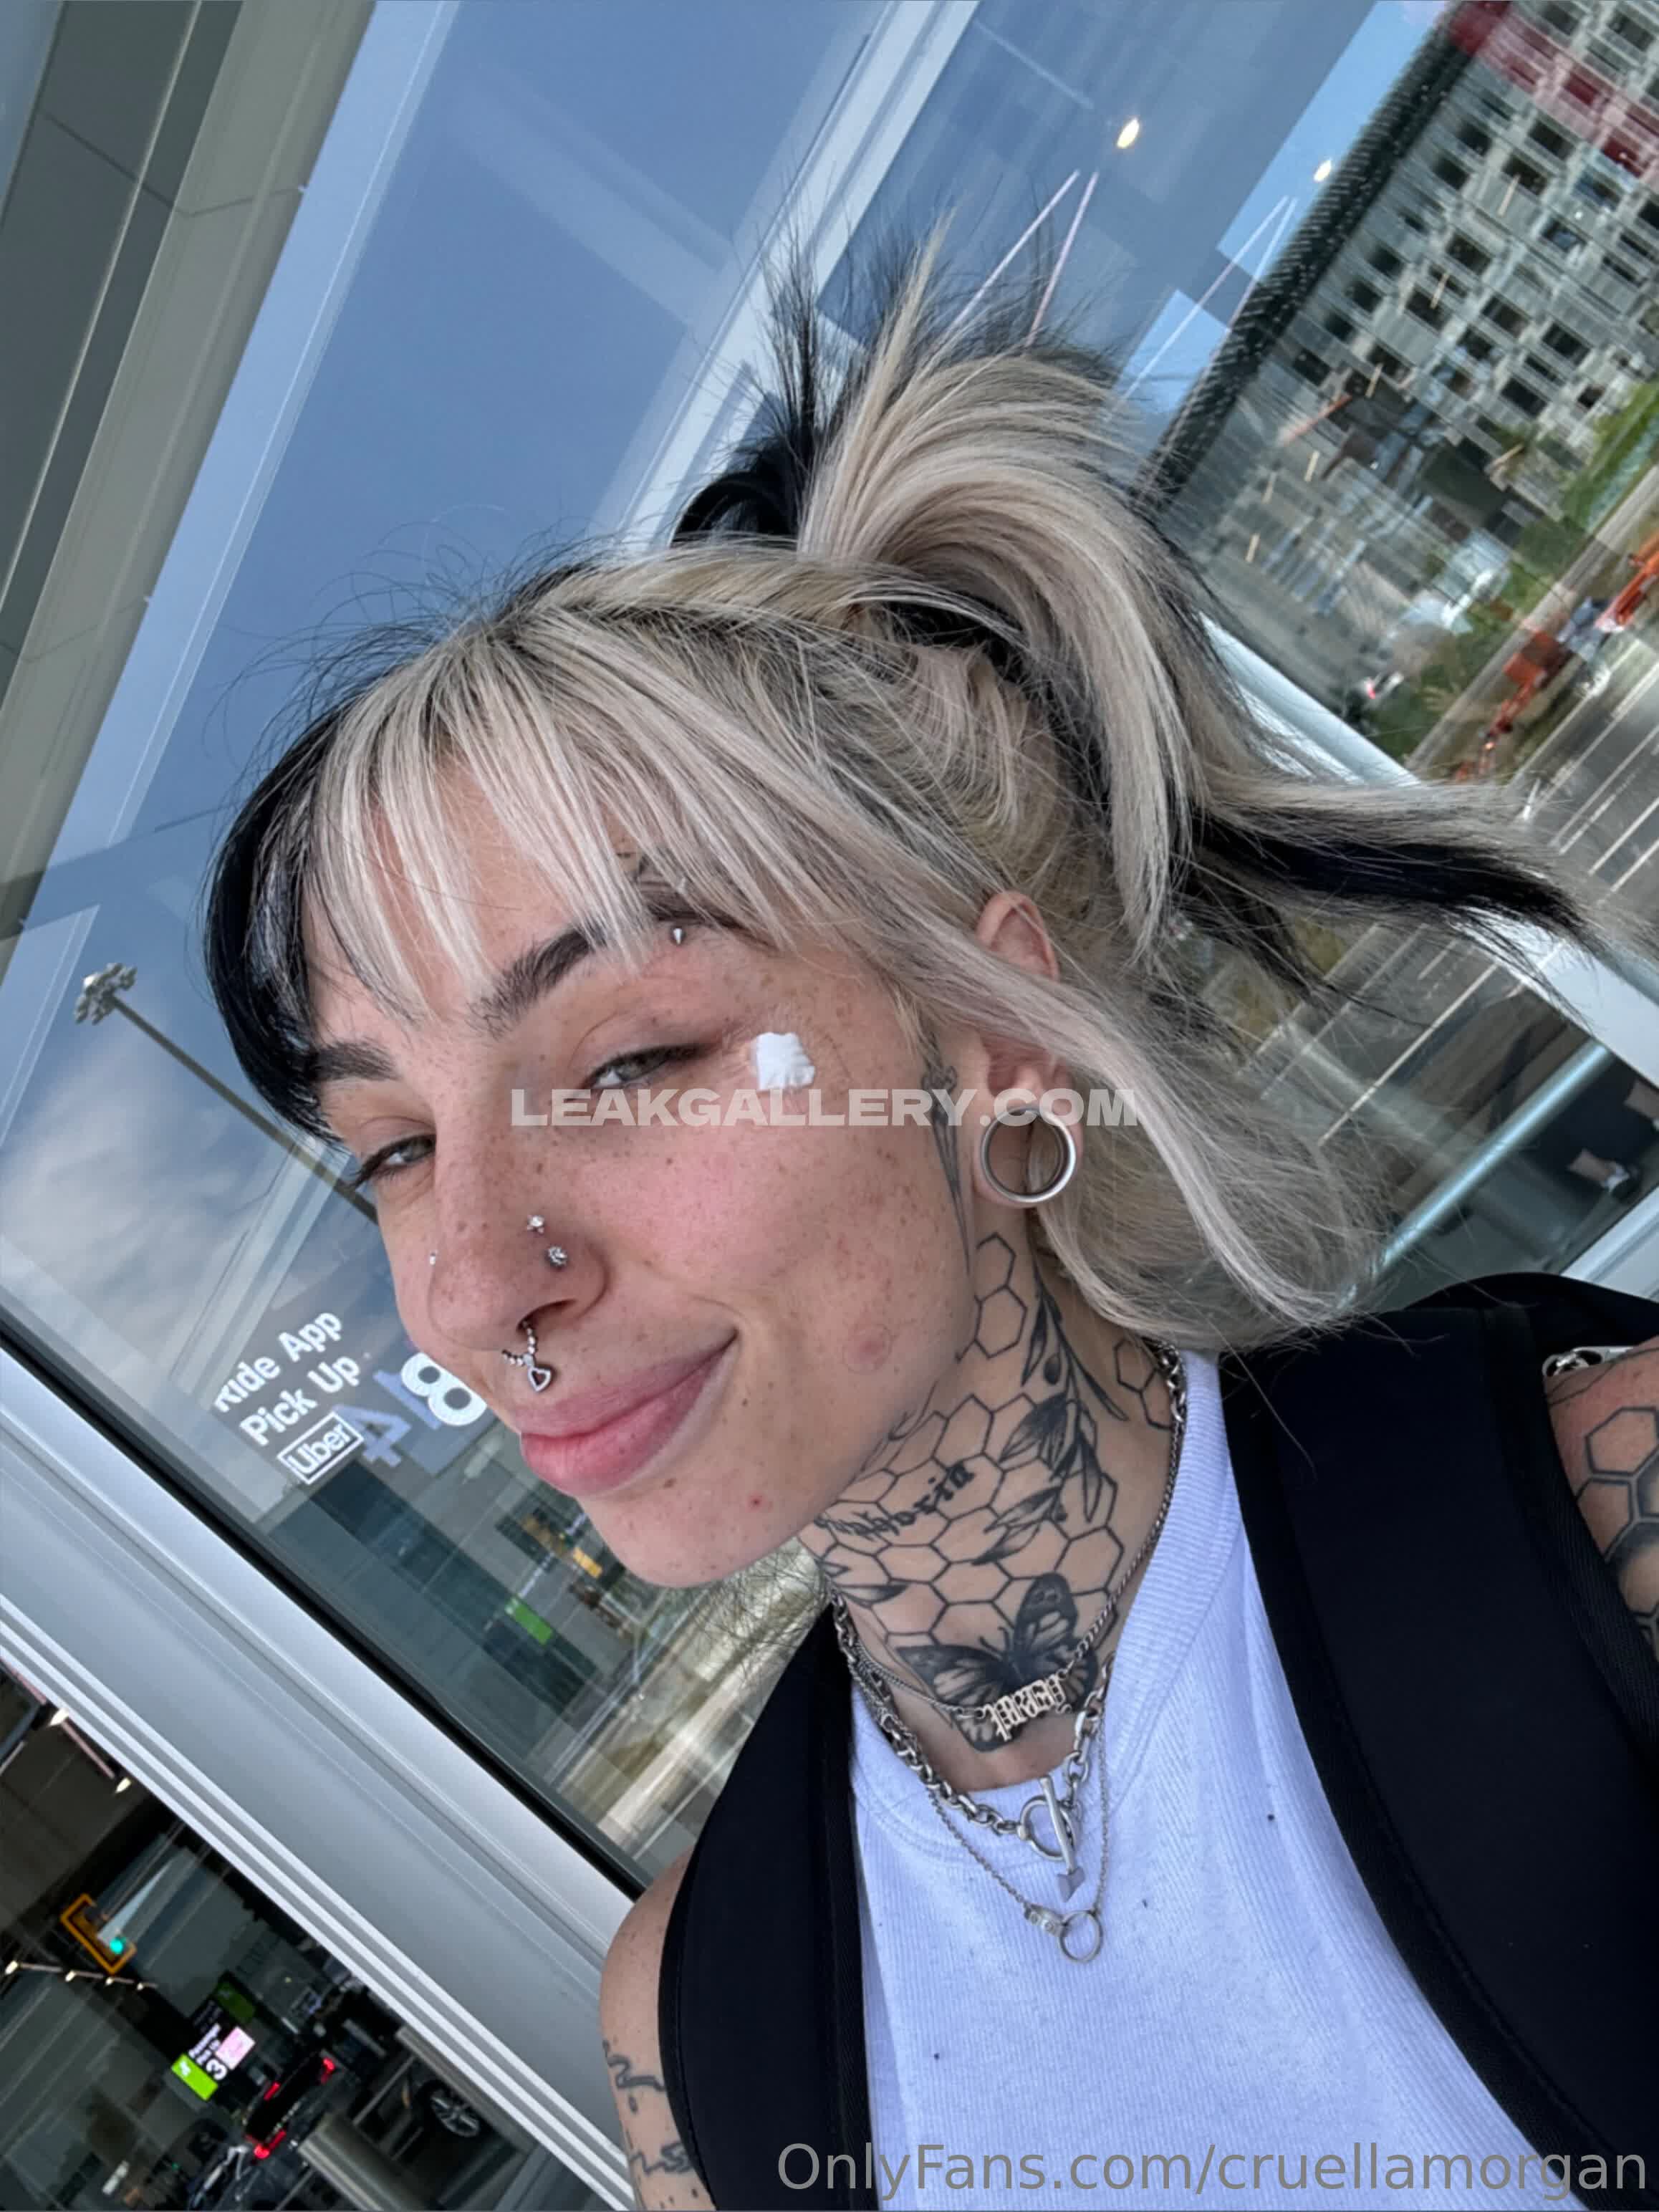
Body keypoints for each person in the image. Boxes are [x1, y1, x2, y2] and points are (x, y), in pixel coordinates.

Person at [201, 237, 1659, 2212]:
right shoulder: (696, 2022)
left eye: (628, 1059)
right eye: (389, 1147)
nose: (470, 1286)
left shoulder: (1598, 1531)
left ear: (993, 1040)